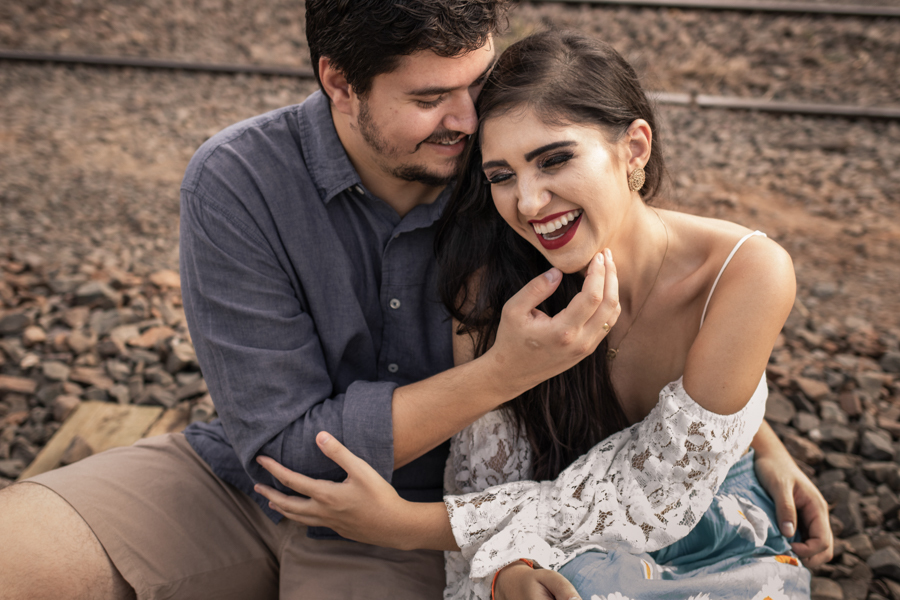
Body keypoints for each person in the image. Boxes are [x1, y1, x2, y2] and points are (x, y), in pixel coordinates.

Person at [0, 3, 827, 598]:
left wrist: (747, 434)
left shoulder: (501, 163)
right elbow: (286, 445)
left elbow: (654, 283)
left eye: (477, 84)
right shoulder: (240, 179)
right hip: (257, 473)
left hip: (434, 510)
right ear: (340, 84)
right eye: (431, 97)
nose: (468, 123)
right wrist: (505, 372)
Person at [251, 30, 833, 600]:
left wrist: (406, 524)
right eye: (501, 176)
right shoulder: (495, 281)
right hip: (561, 545)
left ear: (634, 147)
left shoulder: (745, 272)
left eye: (553, 160)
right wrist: (507, 570)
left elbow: (655, 488)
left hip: (710, 530)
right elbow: (488, 479)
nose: (528, 203)